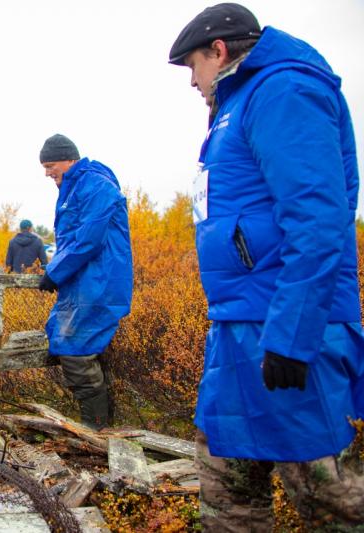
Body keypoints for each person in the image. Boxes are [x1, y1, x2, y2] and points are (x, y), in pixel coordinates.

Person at [169, 3, 364, 529]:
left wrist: (292, 335)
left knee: (328, 495)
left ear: (219, 50)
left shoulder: (282, 92)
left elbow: (318, 221)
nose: (191, 81)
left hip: (291, 332)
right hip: (238, 326)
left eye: (192, 66)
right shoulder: (236, 106)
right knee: (226, 484)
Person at [37, 134, 133, 430]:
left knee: (76, 348)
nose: (47, 172)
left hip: (98, 281)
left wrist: (56, 271)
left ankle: (96, 430)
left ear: (70, 158)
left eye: (51, 164)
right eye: (44, 166)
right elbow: (72, 239)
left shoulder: (93, 185)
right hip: (85, 281)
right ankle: (97, 424)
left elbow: (88, 239)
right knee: (69, 342)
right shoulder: (75, 186)